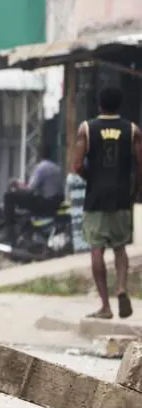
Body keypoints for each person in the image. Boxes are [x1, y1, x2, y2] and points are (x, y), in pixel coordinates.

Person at [72, 86, 142, 320]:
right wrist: (134, 192)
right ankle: (122, 288)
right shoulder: (132, 130)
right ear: (119, 104)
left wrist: (92, 179)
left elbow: (78, 165)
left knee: (97, 249)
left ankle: (105, 306)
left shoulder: (87, 129)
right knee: (120, 248)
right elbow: (141, 165)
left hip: (97, 197)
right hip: (122, 195)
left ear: (99, 104)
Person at [2, 144, 65, 245]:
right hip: (55, 203)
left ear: (39, 156)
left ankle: (10, 232)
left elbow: (30, 189)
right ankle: (25, 230)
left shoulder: (41, 168)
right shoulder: (56, 168)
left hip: (46, 203)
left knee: (9, 197)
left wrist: (17, 186)